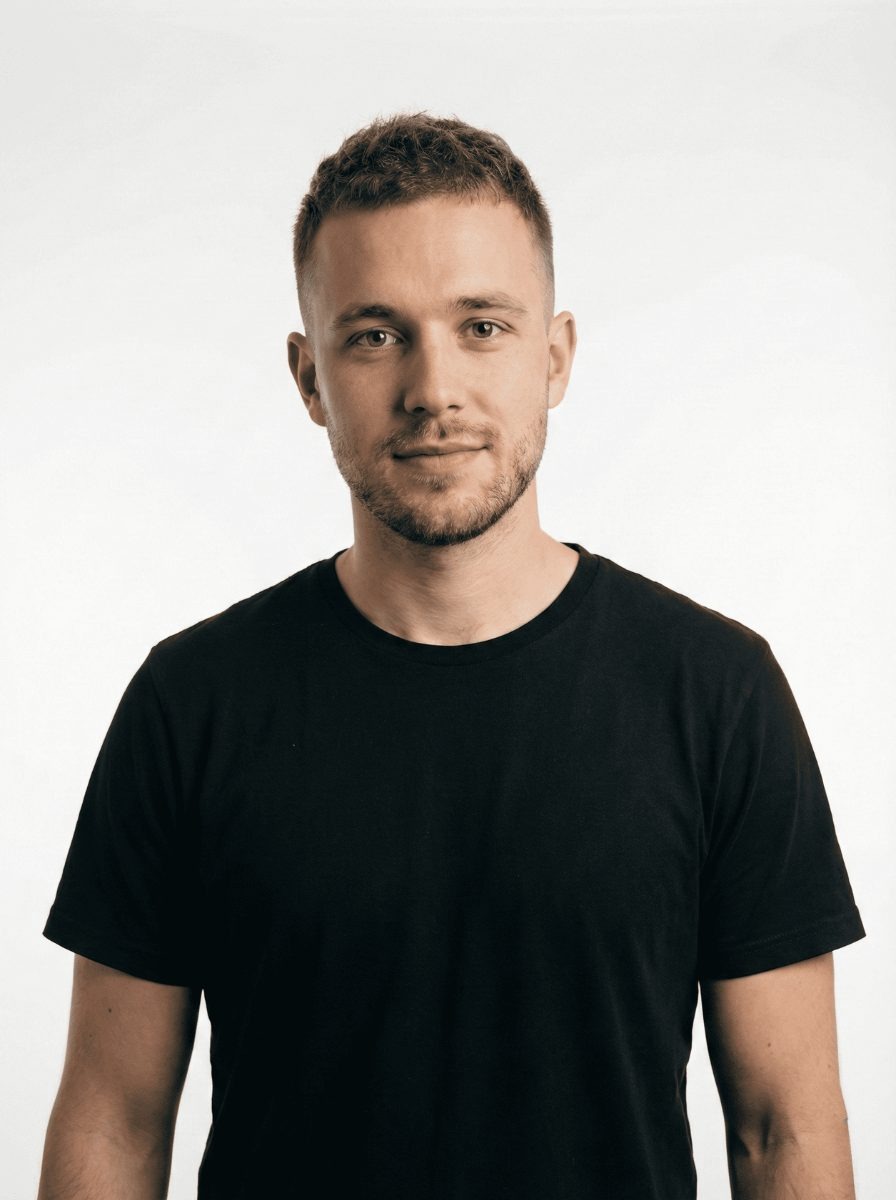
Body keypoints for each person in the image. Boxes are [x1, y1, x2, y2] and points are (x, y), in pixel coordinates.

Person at [38, 114, 865, 1200]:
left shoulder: (711, 692)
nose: (434, 389)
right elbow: (113, 1124)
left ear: (554, 356)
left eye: (481, 326)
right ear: (306, 376)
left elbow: (780, 1133)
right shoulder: (193, 703)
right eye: (375, 335)